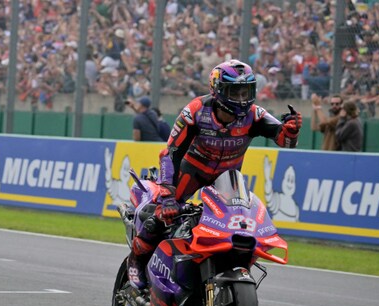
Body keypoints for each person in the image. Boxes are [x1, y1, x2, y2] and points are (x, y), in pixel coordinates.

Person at [127, 60, 302, 290]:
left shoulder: (255, 115)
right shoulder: (195, 111)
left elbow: (285, 140)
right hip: (192, 172)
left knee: (240, 225)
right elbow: (170, 153)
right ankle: (137, 260)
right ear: (218, 90)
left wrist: (292, 130)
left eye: (246, 91)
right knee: (160, 213)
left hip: (228, 179)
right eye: (234, 91)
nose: (241, 98)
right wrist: (168, 194)